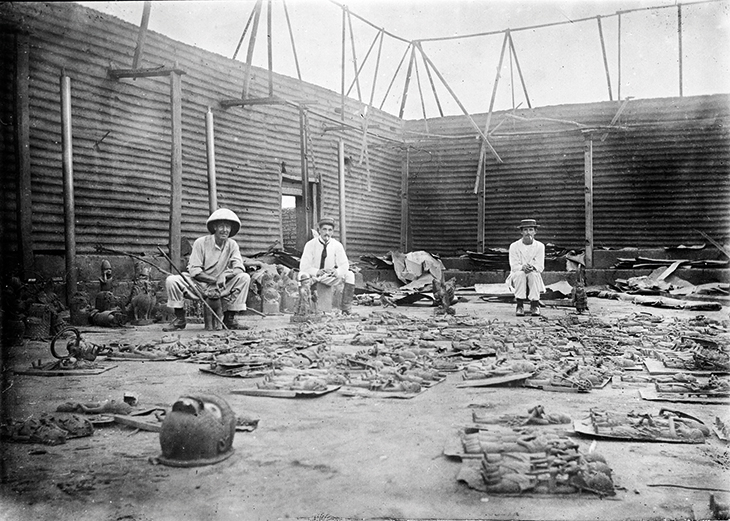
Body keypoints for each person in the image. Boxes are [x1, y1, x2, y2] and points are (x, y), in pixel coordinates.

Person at [164, 208, 262, 330]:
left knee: (244, 277)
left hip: (221, 286)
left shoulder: (232, 244)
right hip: (199, 284)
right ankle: (180, 319)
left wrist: (224, 276)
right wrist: (215, 279)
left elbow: (239, 268)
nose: (225, 230)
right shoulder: (201, 242)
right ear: (215, 227)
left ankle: (229, 319)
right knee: (172, 280)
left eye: (228, 227)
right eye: (221, 226)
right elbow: (195, 271)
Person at [299, 216, 356, 314]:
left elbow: (344, 265)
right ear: (319, 230)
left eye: (330, 230)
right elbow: (304, 266)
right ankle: (306, 308)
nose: (327, 233)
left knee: (350, 274)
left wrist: (336, 271)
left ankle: (346, 308)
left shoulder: (337, 245)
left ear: (333, 232)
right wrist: (316, 271)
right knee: (302, 275)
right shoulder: (310, 244)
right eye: (324, 229)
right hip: (313, 276)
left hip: (327, 277)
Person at [506, 218, 546, 317]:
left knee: (534, 274)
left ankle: (534, 305)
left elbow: (540, 266)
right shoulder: (514, 246)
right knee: (520, 274)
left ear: (535, 232)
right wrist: (522, 267)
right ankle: (520, 305)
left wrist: (533, 267)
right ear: (521, 232)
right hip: (518, 274)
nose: (528, 233)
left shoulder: (540, 246)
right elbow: (514, 266)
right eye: (525, 230)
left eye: (531, 230)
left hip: (533, 273)